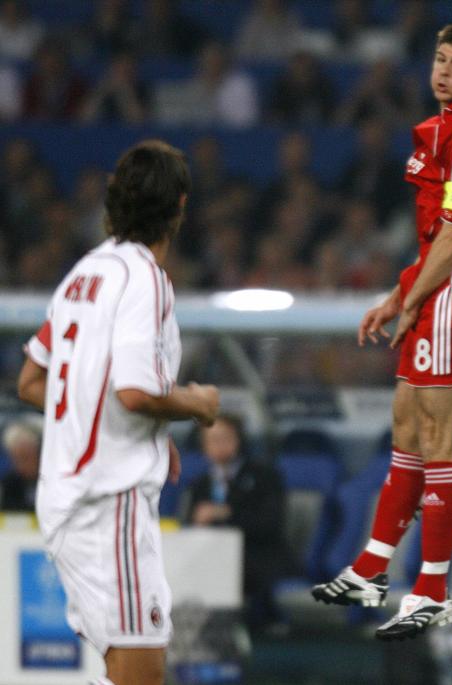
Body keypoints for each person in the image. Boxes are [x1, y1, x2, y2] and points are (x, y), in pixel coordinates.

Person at [311, 24, 452, 640]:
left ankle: (431, 588)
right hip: (440, 283)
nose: (445, 71)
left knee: (438, 432)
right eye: (440, 59)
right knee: (407, 422)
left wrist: (415, 300)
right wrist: (398, 295)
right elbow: (440, 236)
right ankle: (373, 567)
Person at [16, 139, 220, 685]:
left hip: (66, 500)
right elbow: (134, 391)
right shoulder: (144, 279)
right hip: (108, 504)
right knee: (142, 675)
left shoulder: (85, 274)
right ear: (180, 206)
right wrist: (196, 405)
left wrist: (149, 427)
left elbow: (33, 380)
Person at [181, 415, 287, 632]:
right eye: (211, 440)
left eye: (224, 438)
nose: (218, 445)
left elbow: (270, 524)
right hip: (207, 557)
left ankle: (232, 637)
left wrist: (225, 514)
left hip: (256, 557)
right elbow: (189, 524)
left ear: (238, 440)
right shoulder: (200, 483)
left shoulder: (264, 476)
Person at [0, 416, 41, 511]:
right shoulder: (10, 483)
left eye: (26, 457)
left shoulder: (53, 477)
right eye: (17, 459)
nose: (22, 465)